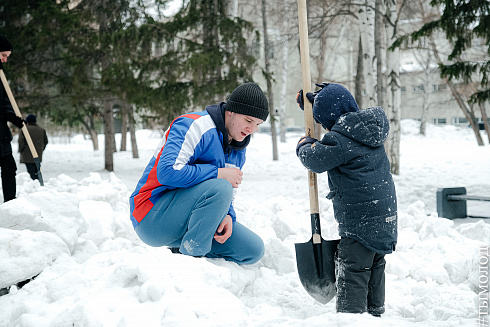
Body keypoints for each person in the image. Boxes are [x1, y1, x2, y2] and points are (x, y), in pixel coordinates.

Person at [130, 82, 269, 265]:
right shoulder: (193, 125)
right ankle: (193, 261)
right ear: (231, 112)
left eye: (257, 124)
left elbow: (228, 191)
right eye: (248, 121)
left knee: (252, 249)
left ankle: (181, 248)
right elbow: (167, 172)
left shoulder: (238, 147)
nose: (252, 129)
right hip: (151, 216)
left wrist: (228, 215)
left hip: (190, 221)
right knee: (221, 187)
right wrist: (217, 173)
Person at [296, 83, 397, 316]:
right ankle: (374, 312)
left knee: (353, 269)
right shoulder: (367, 131)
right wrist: (312, 108)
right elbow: (335, 103)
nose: (323, 126)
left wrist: (304, 145)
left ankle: (351, 318)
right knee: (375, 265)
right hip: (385, 217)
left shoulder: (341, 141)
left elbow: (315, 159)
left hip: (360, 222)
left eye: (322, 121)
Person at [0, 34, 24, 202]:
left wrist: (12, 116)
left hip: (1, 135)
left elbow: (3, 101)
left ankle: (11, 205)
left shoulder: (0, 76)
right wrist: (6, 115)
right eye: (3, 55)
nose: (5, 60)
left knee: (9, 168)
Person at [19, 114, 48, 180]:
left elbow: (21, 142)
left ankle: (33, 183)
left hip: (27, 154)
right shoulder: (41, 130)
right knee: (37, 170)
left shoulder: (25, 130)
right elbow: (45, 141)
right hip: (38, 154)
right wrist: (41, 149)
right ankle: (38, 182)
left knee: (30, 171)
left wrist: (21, 150)